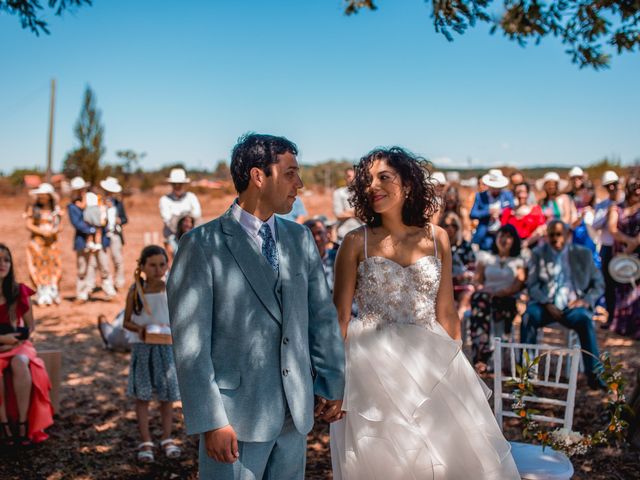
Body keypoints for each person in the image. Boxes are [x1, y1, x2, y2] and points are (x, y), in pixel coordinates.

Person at [330, 147, 519, 479]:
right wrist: (333, 382)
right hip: (371, 365)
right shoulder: (353, 242)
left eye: (384, 177)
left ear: (408, 184)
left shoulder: (437, 238)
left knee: (444, 454)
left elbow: (446, 311)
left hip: (430, 359)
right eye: (367, 180)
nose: (373, 186)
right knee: (385, 453)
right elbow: (340, 318)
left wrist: (458, 369)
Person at [167, 133, 345, 479]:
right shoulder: (202, 245)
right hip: (235, 418)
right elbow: (191, 346)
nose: (301, 184)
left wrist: (332, 382)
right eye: (291, 173)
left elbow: (321, 317)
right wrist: (211, 420)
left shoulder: (300, 238)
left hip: (295, 411)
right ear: (258, 176)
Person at [521, 220, 605, 390]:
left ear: (567, 235)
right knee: (528, 316)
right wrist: (546, 303)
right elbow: (532, 285)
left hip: (573, 307)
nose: (555, 238)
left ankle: (594, 375)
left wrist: (585, 300)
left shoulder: (583, 254)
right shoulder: (538, 253)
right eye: (551, 235)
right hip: (546, 306)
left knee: (585, 320)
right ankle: (526, 371)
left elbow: (599, 284)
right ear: (547, 236)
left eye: (559, 234)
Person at [123, 245, 181, 462]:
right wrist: (140, 330)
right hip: (143, 348)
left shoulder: (172, 288)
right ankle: (145, 440)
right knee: (143, 396)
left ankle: (167, 437)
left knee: (167, 396)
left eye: (162, 264)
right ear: (143, 266)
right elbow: (126, 321)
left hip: (166, 348)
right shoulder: (136, 290)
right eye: (153, 265)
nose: (158, 269)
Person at [0, 244, 54, 446]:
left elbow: (31, 327)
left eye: (6, 260)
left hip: (18, 345)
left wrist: (16, 340)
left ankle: (23, 424)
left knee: (20, 363)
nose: (2, 264)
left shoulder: (19, 291)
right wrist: (3, 342)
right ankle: (4, 425)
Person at [470, 224, 526, 370]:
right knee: (480, 300)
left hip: (506, 298)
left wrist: (503, 292)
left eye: (508, 236)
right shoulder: (486, 257)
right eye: (502, 235)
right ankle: (481, 357)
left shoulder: (519, 261)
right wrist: (483, 289)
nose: (504, 239)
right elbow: (477, 280)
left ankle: (491, 355)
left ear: (514, 240)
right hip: (485, 297)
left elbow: (519, 284)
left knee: (488, 304)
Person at [67, 177, 116, 302]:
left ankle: (109, 291)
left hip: (101, 241)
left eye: (82, 189)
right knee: (83, 268)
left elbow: (104, 217)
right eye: (78, 190)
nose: (81, 192)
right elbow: (77, 223)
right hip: (83, 241)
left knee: (104, 265)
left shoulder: (96, 201)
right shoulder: (73, 206)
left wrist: (100, 226)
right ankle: (83, 293)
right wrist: (93, 230)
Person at [607, 176, 640, 339]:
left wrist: (635, 243)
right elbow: (612, 229)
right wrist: (629, 243)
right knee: (621, 288)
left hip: (637, 252)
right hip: (621, 253)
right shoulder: (616, 207)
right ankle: (622, 325)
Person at [24, 183, 63, 306]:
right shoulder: (34, 209)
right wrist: (41, 231)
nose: (41, 197)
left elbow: (60, 225)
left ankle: (53, 291)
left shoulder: (55, 210)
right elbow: (28, 224)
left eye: (43, 195)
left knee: (53, 266)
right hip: (38, 243)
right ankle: (41, 292)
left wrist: (54, 231)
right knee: (39, 266)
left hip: (51, 243)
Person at [592, 170, 621, 327]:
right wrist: (608, 213)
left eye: (613, 185)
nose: (611, 188)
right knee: (609, 284)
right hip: (607, 248)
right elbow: (595, 224)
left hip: (623, 249)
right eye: (608, 186)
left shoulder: (624, 202)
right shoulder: (602, 205)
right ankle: (611, 318)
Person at [440, 212, 475, 326]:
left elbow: (472, 268)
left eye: (454, 225)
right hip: (443, 285)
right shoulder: (437, 246)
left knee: (468, 291)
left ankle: (458, 320)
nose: (450, 229)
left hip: (461, 284)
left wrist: (465, 275)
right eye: (446, 225)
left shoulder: (465, 246)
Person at [470, 169, 515, 251]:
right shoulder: (480, 196)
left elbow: (512, 208)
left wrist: (501, 212)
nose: (495, 190)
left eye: (498, 187)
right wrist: (488, 212)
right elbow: (473, 214)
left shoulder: (507, 195)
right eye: (493, 187)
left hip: (503, 234)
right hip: (485, 235)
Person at [159, 168, 201, 247]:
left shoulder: (191, 197)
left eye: (180, 184)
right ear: (171, 184)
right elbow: (168, 221)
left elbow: (197, 215)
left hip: (191, 235)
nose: (177, 186)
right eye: (175, 184)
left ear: (184, 184)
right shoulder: (164, 200)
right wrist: (184, 220)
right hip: (173, 236)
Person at [100, 176, 128, 290]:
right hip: (103, 235)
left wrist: (119, 220)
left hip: (116, 234)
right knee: (104, 261)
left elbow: (125, 219)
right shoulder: (100, 203)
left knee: (118, 259)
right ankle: (108, 284)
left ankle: (119, 282)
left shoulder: (118, 203)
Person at [500, 181, 547, 249]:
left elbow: (541, 228)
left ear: (528, 193)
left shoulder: (535, 210)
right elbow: (503, 229)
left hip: (532, 246)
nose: (520, 195)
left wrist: (527, 242)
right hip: (512, 247)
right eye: (518, 192)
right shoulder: (508, 211)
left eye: (523, 192)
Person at [572, 180, 600, 269]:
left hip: (592, 245)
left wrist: (593, 213)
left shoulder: (598, 206)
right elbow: (571, 226)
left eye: (589, 192)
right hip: (577, 244)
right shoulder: (574, 205)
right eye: (583, 192)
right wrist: (581, 217)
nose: (586, 195)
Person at [333, 167, 362, 242]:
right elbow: (338, 215)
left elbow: (368, 213)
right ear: (345, 177)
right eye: (349, 176)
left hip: (363, 236)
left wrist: (347, 212)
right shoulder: (338, 193)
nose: (352, 179)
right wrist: (359, 212)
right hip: (343, 236)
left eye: (355, 176)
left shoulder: (365, 193)